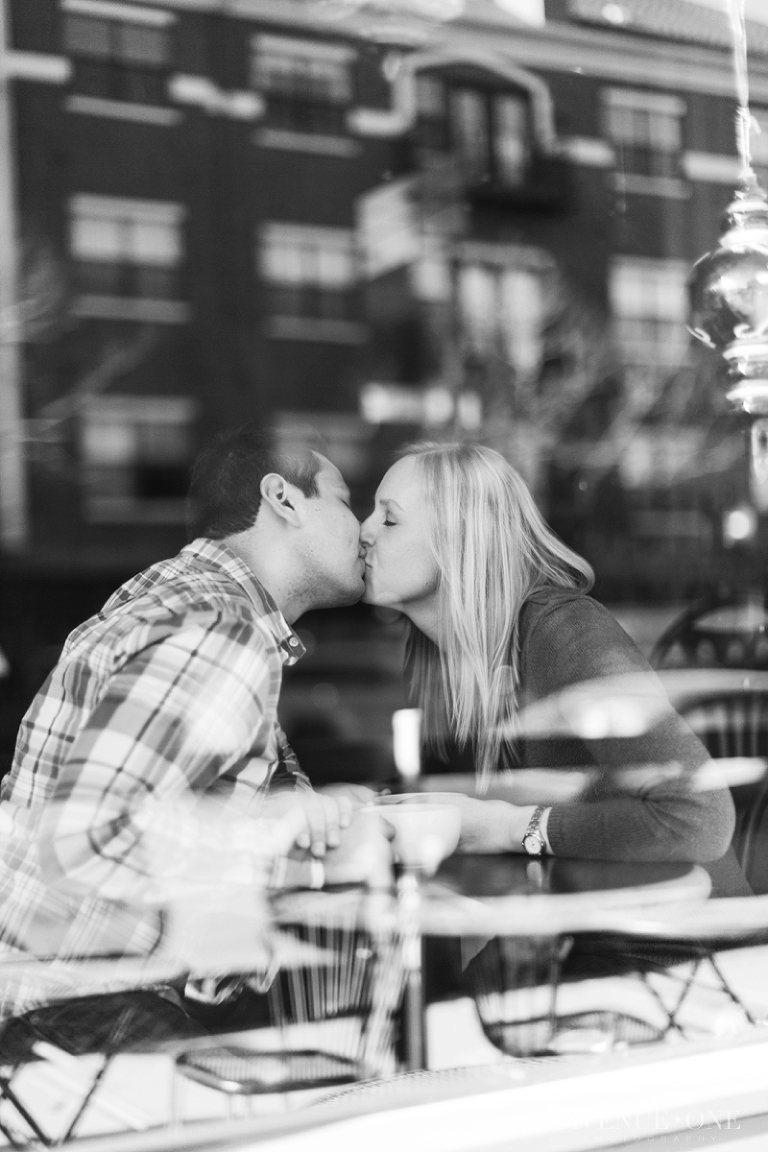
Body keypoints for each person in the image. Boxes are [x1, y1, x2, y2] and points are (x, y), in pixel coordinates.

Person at [0, 423, 390, 1025]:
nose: (364, 529)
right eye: (343, 499)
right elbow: (87, 839)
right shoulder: (219, 629)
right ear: (282, 499)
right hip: (76, 1019)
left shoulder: (177, 608)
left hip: (48, 1020)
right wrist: (299, 854)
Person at [361, 441, 746, 896]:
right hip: (580, 936)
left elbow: (701, 818)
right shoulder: (449, 657)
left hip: (684, 949)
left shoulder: (563, 630)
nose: (365, 531)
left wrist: (507, 826)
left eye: (389, 518)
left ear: (460, 542)